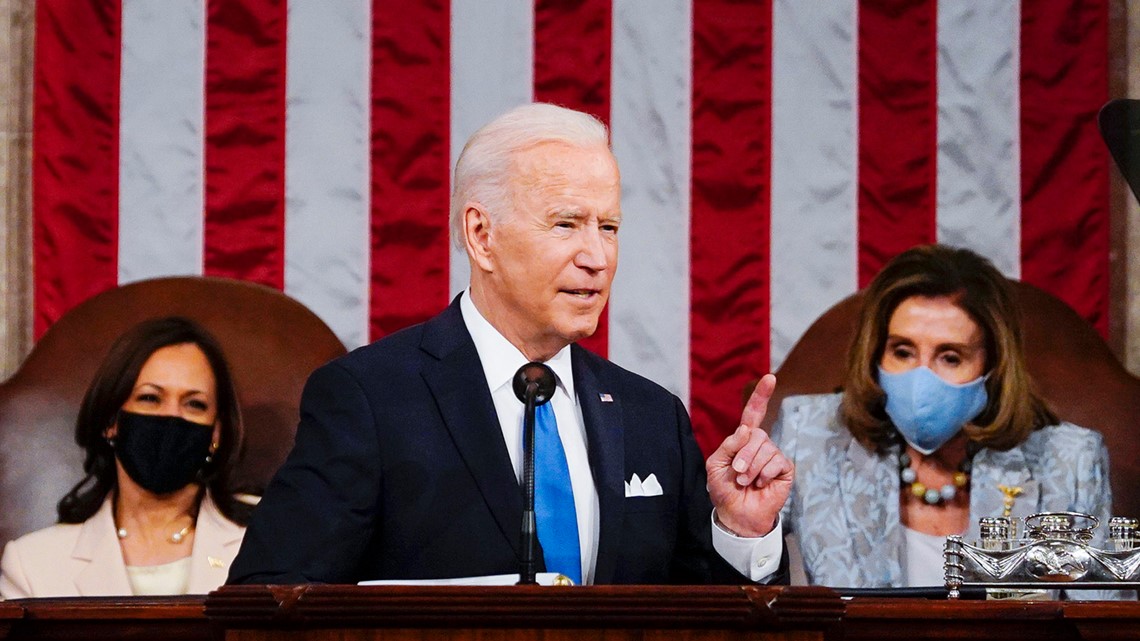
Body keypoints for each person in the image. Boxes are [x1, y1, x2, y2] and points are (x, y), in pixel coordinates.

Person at [228, 103, 793, 586]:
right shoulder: (371, 400)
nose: (597, 257)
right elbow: (269, 597)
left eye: (609, 227)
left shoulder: (653, 419)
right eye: (566, 225)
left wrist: (742, 533)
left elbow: (707, 618)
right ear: (482, 235)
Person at [770, 244, 1114, 588]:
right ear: (876, 353)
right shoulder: (812, 432)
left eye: (950, 357)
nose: (921, 380)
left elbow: (1102, 622)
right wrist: (743, 531)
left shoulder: (1071, 462)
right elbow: (750, 585)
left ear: (993, 366)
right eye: (902, 352)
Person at [0, 317, 253, 598]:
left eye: (194, 404)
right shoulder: (33, 565)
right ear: (111, 421)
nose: (171, 417)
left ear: (216, 433)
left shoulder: (266, 539)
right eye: (150, 398)